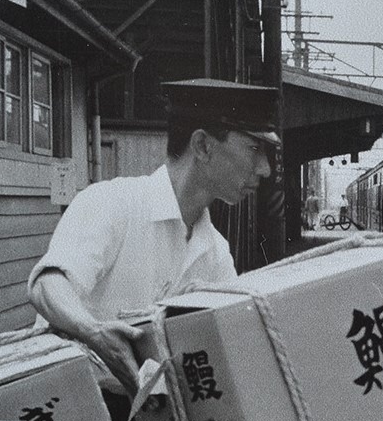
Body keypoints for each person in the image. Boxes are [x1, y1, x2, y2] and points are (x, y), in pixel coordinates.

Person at [29, 78, 278, 392]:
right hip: (73, 407)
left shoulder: (215, 252)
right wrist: (93, 332)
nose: (264, 168)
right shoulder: (113, 203)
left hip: (147, 413)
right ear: (203, 146)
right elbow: (47, 283)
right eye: (254, 149)